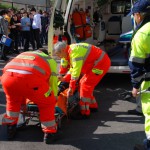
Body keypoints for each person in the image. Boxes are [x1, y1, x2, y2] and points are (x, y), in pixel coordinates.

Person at [1, 48, 58, 144]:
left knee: (13, 101)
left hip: (7, 79)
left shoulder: (24, 54)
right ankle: (49, 133)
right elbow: (52, 82)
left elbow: (18, 79)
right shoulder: (49, 60)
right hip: (31, 81)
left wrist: (23, 105)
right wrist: (54, 96)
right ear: (46, 54)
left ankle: (10, 127)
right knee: (48, 103)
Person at [54, 42, 111, 119]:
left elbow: (75, 73)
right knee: (84, 84)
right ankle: (93, 106)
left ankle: (84, 113)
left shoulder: (74, 53)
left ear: (63, 50)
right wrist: (64, 78)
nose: (58, 57)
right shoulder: (69, 52)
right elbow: (72, 69)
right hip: (96, 63)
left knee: (85, 84)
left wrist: (71, 87)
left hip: (100, 64)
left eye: (58, 54)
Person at [127, 0, 150, 149]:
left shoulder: (142, 33)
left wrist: (135, 86)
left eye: (134, 15)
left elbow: (136, 64)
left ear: (139, 15)